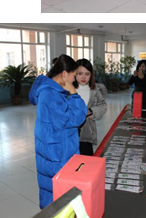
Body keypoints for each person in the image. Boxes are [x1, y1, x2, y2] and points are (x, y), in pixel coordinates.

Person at [29, 55, 87, 209]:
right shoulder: (52, 95)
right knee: (56, 192)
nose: (74, 79)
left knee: (54, 190)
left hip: (54, 149)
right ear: (64, 74)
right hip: (57, 153)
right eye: (74, 75)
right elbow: (76, 118)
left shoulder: (53, 91)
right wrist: (74, 94)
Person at [74, 59, 107, 156]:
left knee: (86, 160)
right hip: (71, 133)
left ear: (91, 75)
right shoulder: (69, 89)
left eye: (87, 74)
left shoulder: (95, 90)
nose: (83, 77)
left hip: (87, 133)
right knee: (72, 161)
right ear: (74, 73)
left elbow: (103, 105)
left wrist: (91, 111)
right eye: (80, 73)